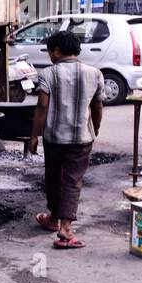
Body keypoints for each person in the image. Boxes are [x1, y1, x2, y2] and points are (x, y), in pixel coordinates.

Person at [28, 31, 103, 249]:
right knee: (72, 180)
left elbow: (42, 106)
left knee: (52, 177)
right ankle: (65, 227)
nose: (50, 56)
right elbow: (97, 107)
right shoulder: (94, 73)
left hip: (54, 137)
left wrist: (34, 135)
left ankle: (54, 219)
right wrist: (95, 128)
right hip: (81, 138)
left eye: (51, 52)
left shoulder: (48, 74)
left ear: (57, 51)